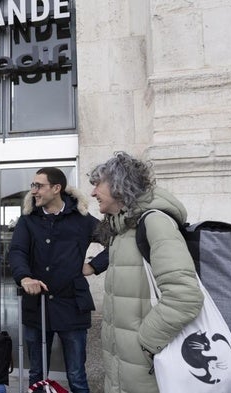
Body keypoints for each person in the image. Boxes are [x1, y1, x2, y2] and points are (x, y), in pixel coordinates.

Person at [86, 151, 204, 393]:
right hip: (126, 369)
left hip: (146, 366)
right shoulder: (122, 229)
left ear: (119, 184)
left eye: (98, 184)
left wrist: (145, 343)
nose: (93, 192)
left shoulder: (154, 222)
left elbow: (185, 297)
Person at [8, 167, 108, 393]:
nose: (33, 191)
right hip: (37, 306)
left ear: (56, 188)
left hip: (72, 305)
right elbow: (17, 252)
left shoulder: (82, 219)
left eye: (39, 186)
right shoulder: (28, 220)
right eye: (33, 185)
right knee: (36, 373)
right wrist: (24, 277)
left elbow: (117, 242)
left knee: (76, 375)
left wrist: (94, 266)